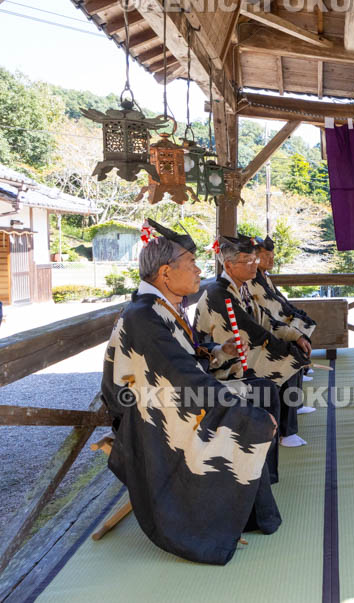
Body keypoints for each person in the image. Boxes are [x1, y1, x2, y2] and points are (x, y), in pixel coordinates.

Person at [101, 219, 281, 565]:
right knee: (252, 410)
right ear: (166, 274)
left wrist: (218, 351)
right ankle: (227, 513)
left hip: (175, 396)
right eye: (192, 264)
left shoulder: (161, 309)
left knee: (263, 392)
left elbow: (188, 358)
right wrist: (243, 412)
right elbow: (182, 376)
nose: (200, 270)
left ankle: (252, 501)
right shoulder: (143, 317)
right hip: (151, 416)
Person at [194, 235, 312, 447]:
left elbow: (264, 317)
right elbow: (249, 330)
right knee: (288, 356)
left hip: (241, 351)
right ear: (229, 265)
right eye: (248, 261)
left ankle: (282, 429)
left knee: (293, 349)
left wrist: (296, 335)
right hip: (220, 363)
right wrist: (284, 346)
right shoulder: (219, 293)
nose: (254, 265)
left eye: (254, 260)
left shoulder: (242, 287)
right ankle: (278, 432)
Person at [251, 236, 317, 382]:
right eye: (266, 256)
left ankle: (300, 367)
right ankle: (297, 369)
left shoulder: (264, 276)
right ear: (254, 257)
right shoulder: (251, 277)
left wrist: (290, 310)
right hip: (266, 320)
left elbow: (278, 298)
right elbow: (265, 303)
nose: (271, 261)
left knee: (300, 319)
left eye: (273, 257)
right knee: (291, 330)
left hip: (275, 315)